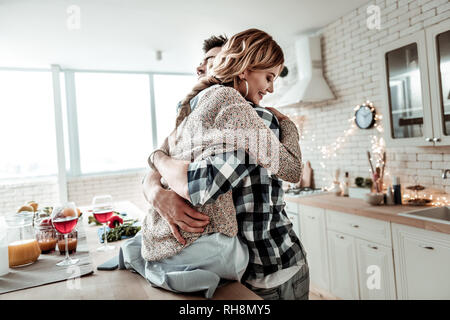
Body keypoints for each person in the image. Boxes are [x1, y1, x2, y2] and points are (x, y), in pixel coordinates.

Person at [123, 29, 308, 300]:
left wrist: (159, 162)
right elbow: (158, 165)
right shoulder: (197, 117)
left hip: (272, 264)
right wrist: (156, 192)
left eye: (213, 59)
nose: (203, 67)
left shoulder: (254, 118)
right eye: (269, 78)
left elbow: (196, 184)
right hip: (236, 266)